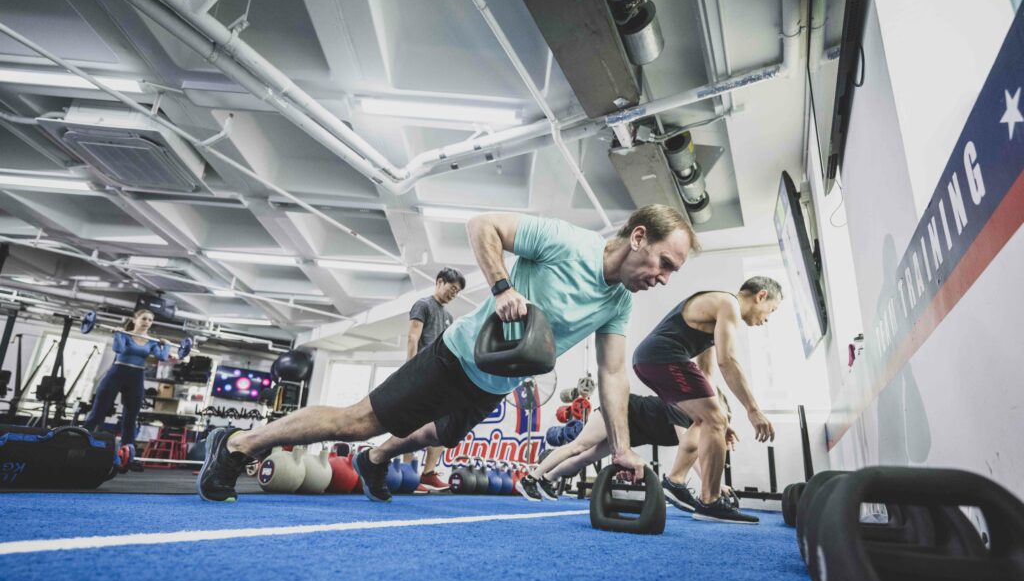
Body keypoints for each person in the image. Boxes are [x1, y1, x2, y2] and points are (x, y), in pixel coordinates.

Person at [196, 204, 698, 502]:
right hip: (455, 358)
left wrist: (623, 447)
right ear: (638, 237)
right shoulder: (568, 243)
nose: (664, 278)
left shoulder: (617, 303)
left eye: (673, 272)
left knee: (442, 432)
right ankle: (239, 444)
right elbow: (483, 225)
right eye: (665, 263)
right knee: (356, 421)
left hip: (496, 381)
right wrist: (502, 287)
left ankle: (375, 461)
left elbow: (612, 374)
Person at [629, 277, 782, 524]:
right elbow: (728, 361)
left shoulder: (716, 312)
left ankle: (676, 481)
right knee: (713, 420)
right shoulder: (728, 304)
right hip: (661, 356)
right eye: (771, 311)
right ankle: (708, 500)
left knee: (707, 421)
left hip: (650, 360)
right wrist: (753, 410)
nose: (766, 320)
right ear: (761, 296)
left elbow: (707, 371)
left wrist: (717, 418)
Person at [516, 391, 739, 511]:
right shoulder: (682, 409)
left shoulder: (695, 427)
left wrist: (716, 484)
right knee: (579, 446)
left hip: (628, 432)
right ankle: (530, 478)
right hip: (618, 410)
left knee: (586, 457)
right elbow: (690, 451)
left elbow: (698, 454)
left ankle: (547, 478)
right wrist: (714, 485)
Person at [402, 267, 465, 494]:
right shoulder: (423, 305)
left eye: (457, 292)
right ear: (439, 282)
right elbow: (412, 337)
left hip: (440, 378)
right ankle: (407, 475)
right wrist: (410, 370)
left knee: (442, 427)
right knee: (414, 425)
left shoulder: (448, 316)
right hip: (420, 374)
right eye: (452, 288)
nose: (453, 294)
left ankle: (428, 474)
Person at [82, 309, 171, 468]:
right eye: (144, 318)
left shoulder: (151, 341)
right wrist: (118, 334)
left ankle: (127, 456)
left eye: (150, 320)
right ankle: (78, 443)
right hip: (117, 373)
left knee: (130, 418)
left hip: (136, 376)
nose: (147, 322)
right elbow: (119, 349)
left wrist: (167, 345)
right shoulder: (125, 335)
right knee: (97, 414)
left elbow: (162, 357)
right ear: (135, 319)